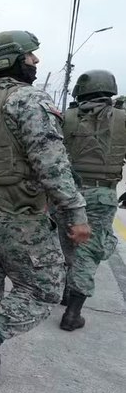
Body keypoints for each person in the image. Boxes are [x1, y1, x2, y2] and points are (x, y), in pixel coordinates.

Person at [0, 30, 91, 393]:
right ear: (8, 59)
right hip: (17, 215)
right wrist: (75, 213)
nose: (35, 61)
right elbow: (52, 165)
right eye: (30, 55)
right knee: (45, 288)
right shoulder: (28, 99)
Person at [56, 70, 125, 331]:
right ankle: (72, 314)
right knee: (90, 250)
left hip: (67, 192)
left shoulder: (67, 117)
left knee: (69, 246)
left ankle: (66, 292)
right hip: (102, 195)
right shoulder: (123, 118)